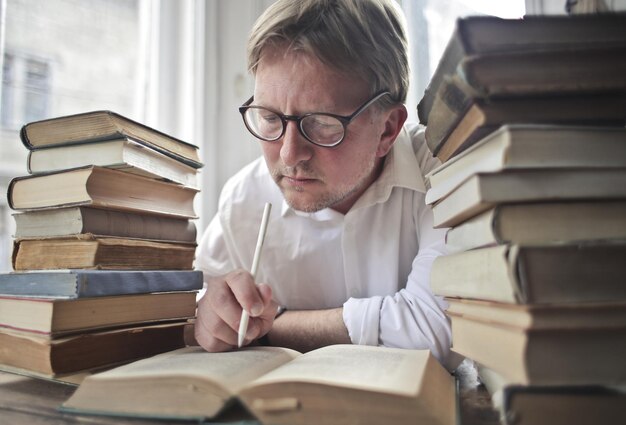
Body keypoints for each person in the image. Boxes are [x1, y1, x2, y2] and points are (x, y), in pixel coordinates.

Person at [195, 0, 460, 370]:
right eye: (270, 118)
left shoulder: (445, 171)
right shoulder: (243, 201)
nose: (289, 155)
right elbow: (197, 312)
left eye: (320, 123)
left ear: (387, 129)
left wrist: (273, 329)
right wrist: (208, 318)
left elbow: (437, 331)